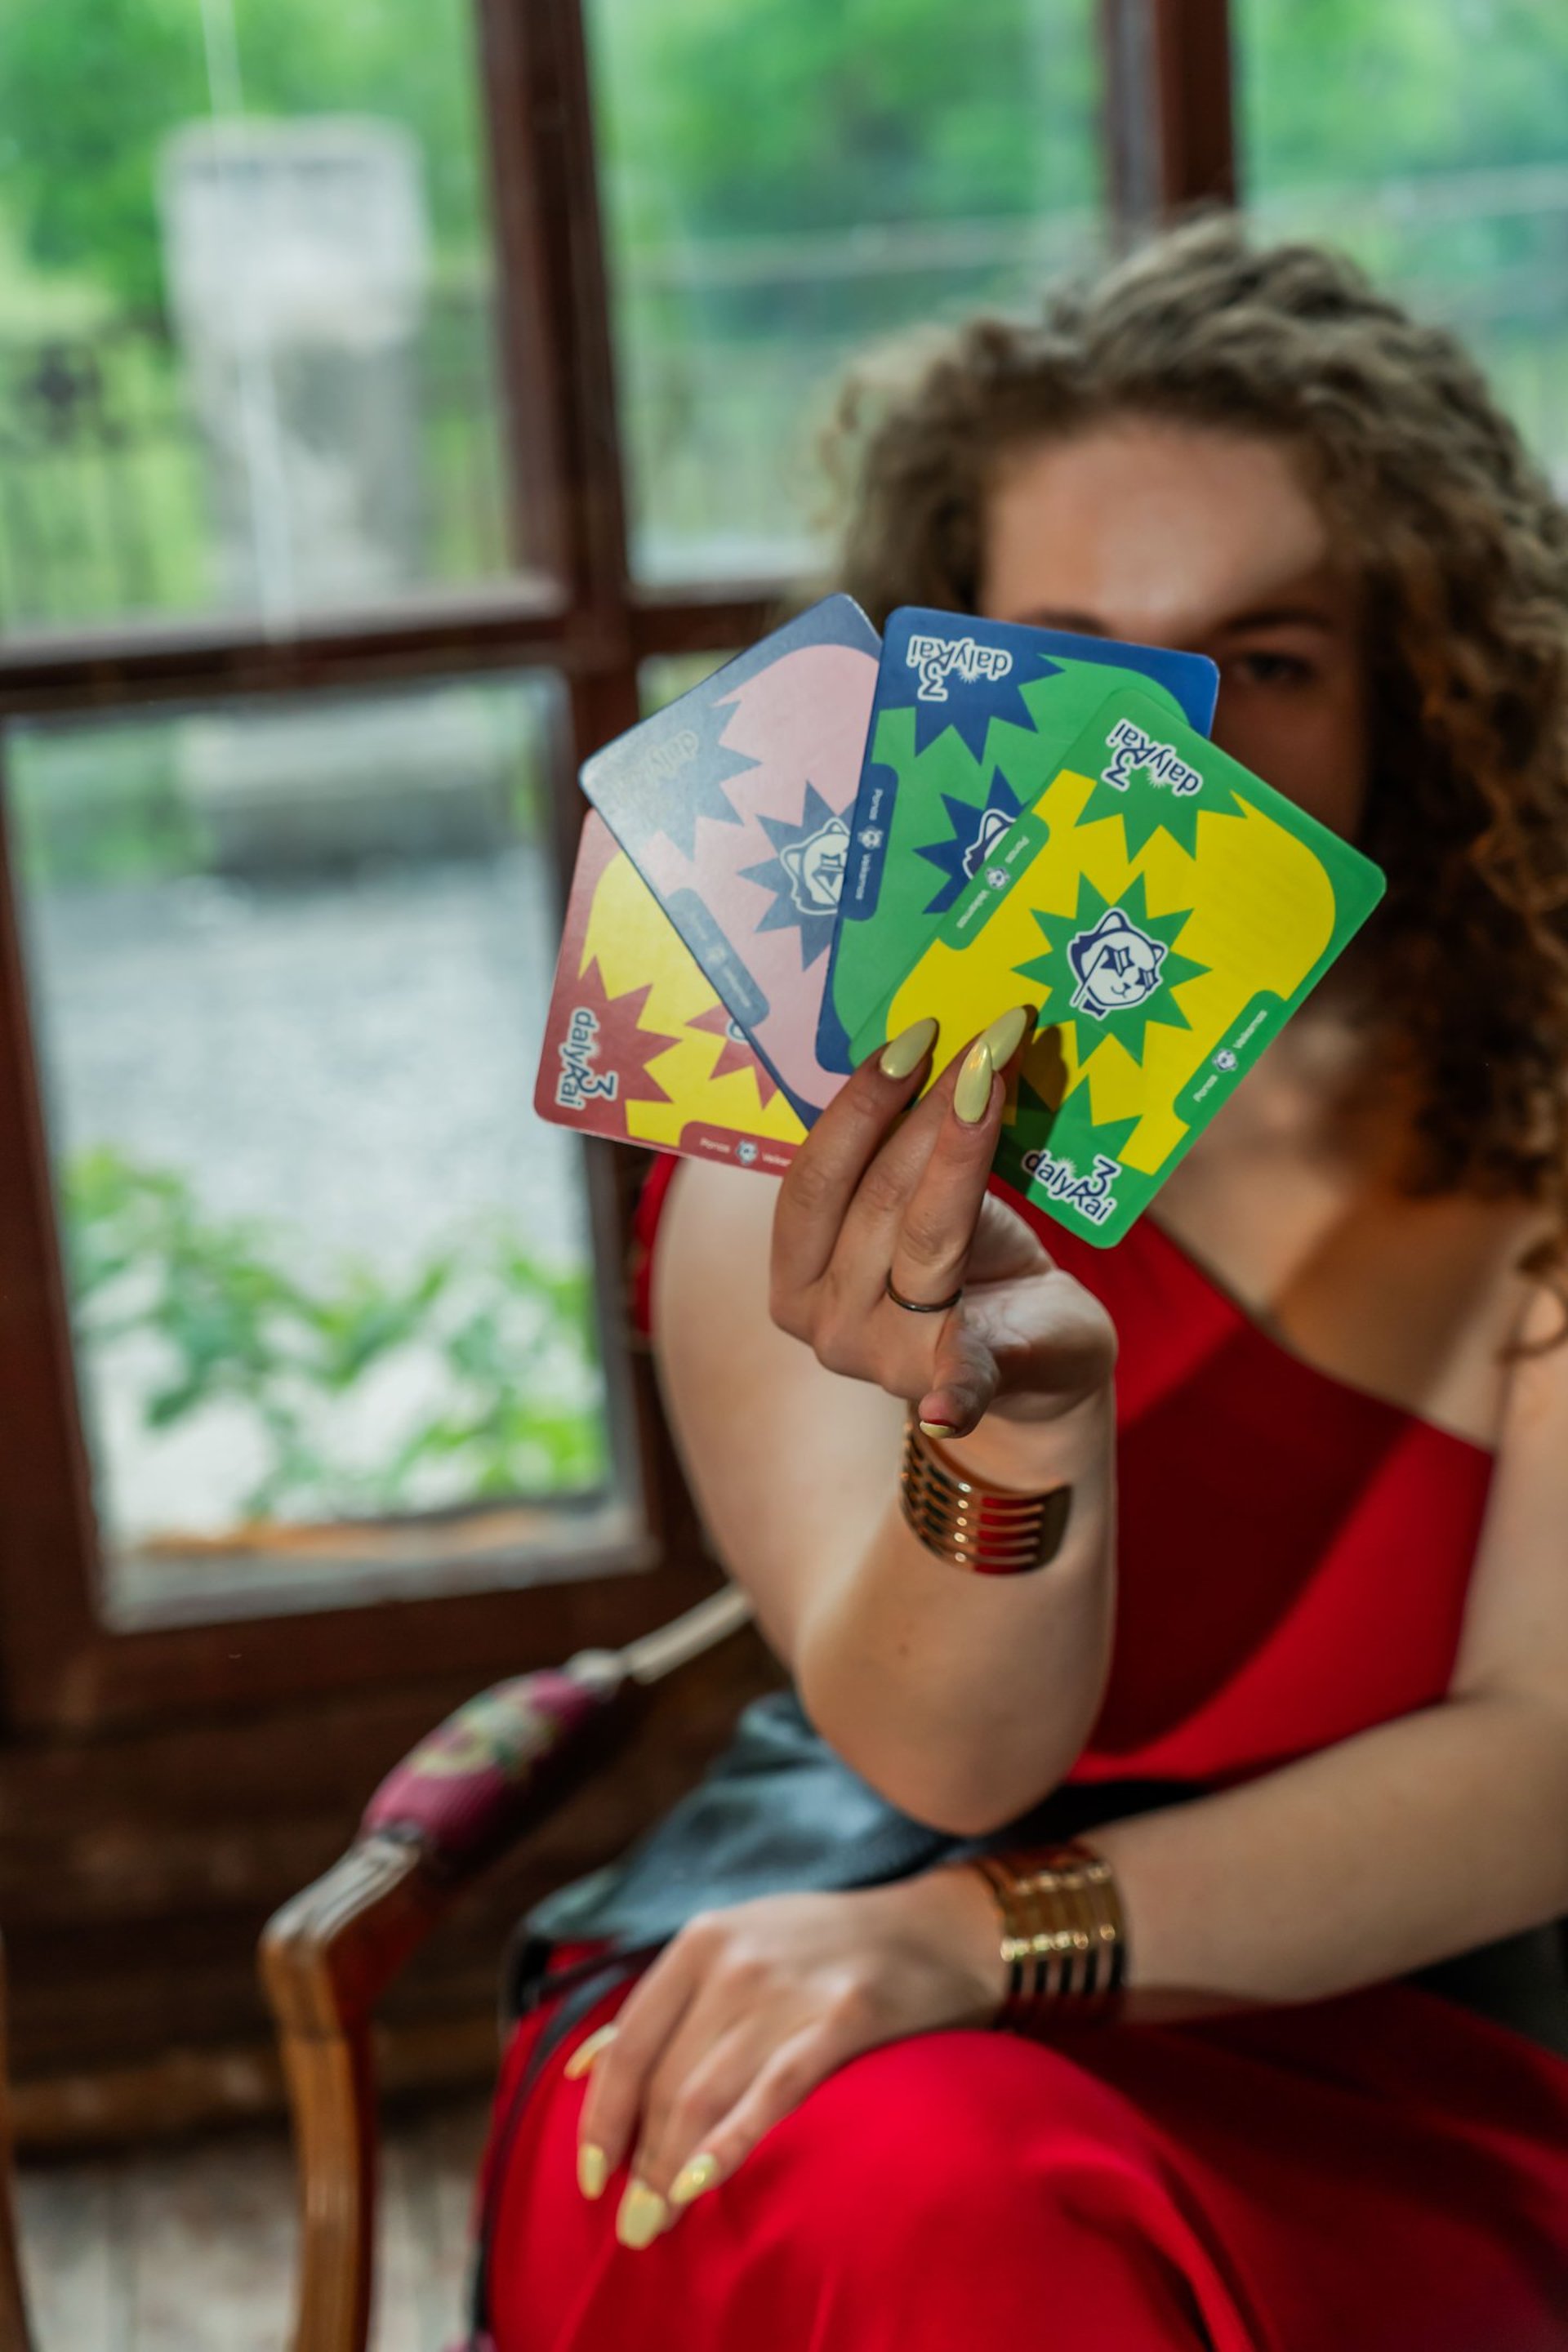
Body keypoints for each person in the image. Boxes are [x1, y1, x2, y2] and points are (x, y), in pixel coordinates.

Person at [471, 218, 1568, 2350]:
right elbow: (937, 1762)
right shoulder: (800, 1081)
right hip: (823, 1959)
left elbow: (1552, 1759)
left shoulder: (1546, 1122)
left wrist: (986, 1945)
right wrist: (1018, 1418)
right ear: (939, 676)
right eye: (1078, 656)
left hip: (1380, 2018)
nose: (1178, 751)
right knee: (946, 2202)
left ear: (1421, 688)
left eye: (1268, 659)